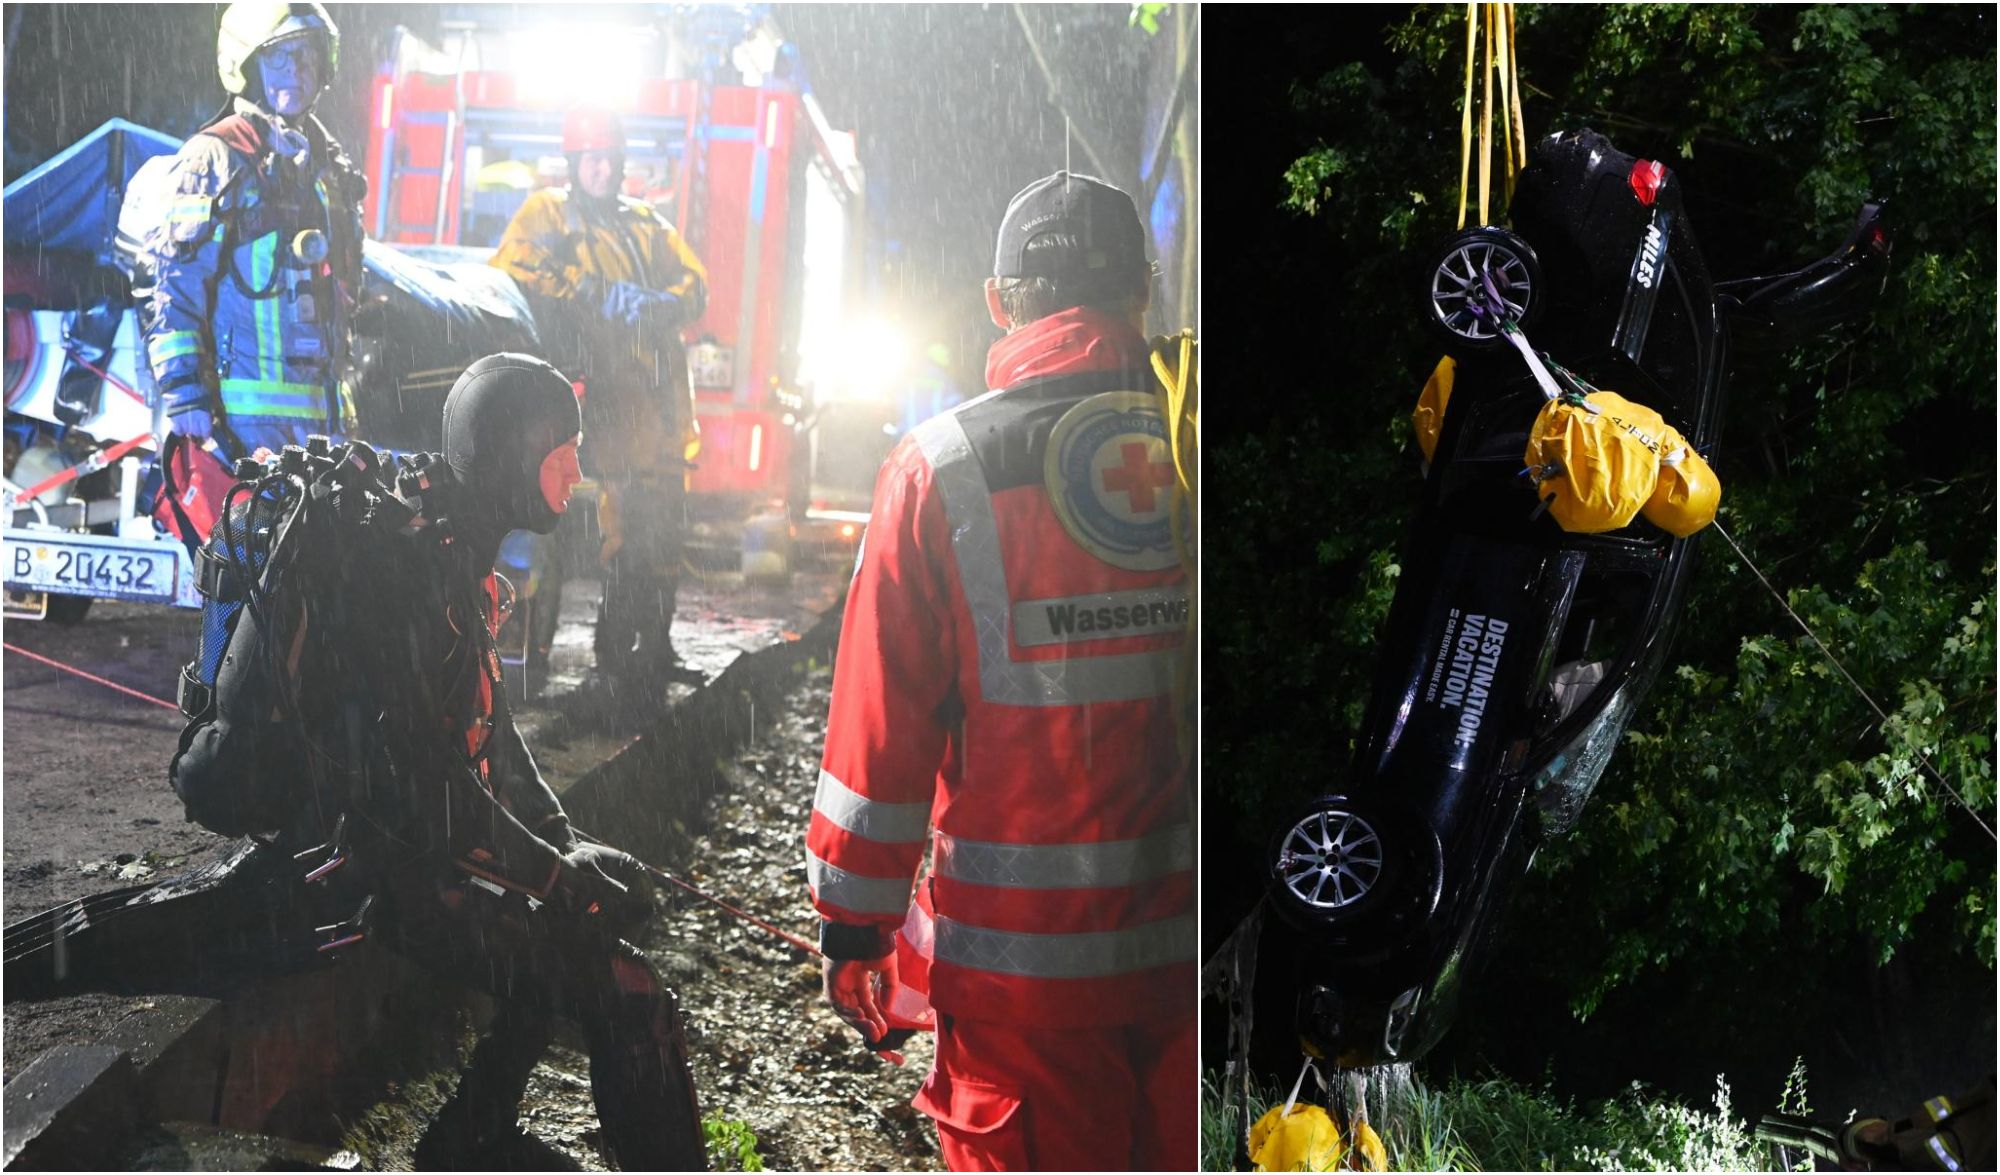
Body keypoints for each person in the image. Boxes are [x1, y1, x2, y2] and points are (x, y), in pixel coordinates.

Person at [168, 353, 706, 1169]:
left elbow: (488, 730)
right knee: (628, 993)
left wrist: (562, 842)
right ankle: (467, 1139)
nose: (579, 467)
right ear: (510, 454)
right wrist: (557, 876)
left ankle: (468, 1138)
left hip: (409, 855)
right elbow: (434, 789)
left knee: (581, 936)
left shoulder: (454, 542)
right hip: (369, 875)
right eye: (562, 447)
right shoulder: (415, 565)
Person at [805, 172, 1197, 1171]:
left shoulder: (939, 470)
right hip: (1203, 970)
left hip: (1023, 998)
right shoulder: (1197, 445)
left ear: (997, 301)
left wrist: (856, 927)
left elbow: (877, 735)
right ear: (1142, 296)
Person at [489, 108, 708, 690]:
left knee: (658, 532)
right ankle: (572, 658)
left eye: (610, 159)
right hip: (594, 404)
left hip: (655, 409)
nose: (603, 169)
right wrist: (590, 291)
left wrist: (664, 304)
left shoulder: (647, 225)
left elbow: (694, 283)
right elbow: (514, 265)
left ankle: (646, 651)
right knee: (588, 532)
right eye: (592, 159)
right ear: (573, 164)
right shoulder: (548, 213)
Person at [140, 1, 365, 464]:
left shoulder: (331, 169)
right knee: (252, 539)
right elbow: (173, 284)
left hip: (326, 427)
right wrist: (184, 393)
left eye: (307, 54)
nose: (297, 70)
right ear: (246, 65)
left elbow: (344, 290)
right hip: (240, 428)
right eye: (279, 55)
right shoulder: (214, 159)